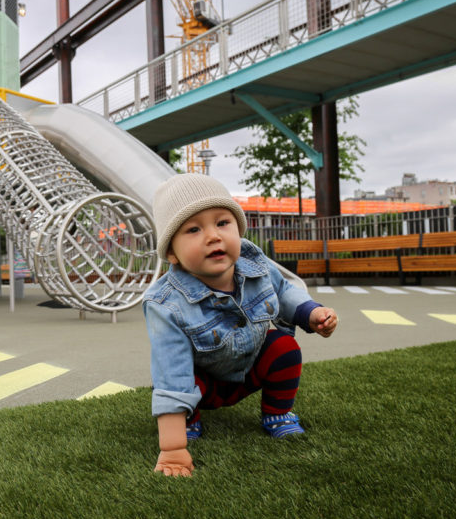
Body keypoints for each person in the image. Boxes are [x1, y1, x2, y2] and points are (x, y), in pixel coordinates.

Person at [143, 174, 338, 478]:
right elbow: (172, 373)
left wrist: (310, 313)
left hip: (247, 371)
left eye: (222, 223)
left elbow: (283, 291)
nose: (213, 236)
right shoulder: (165, 303)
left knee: (283, 347)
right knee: (175, 376)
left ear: (238, 227)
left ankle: (277, 414)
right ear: (172, 253)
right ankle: (190, 418)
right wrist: (172, 449)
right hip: (202, 384)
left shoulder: (254, 262)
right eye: (193, 229)